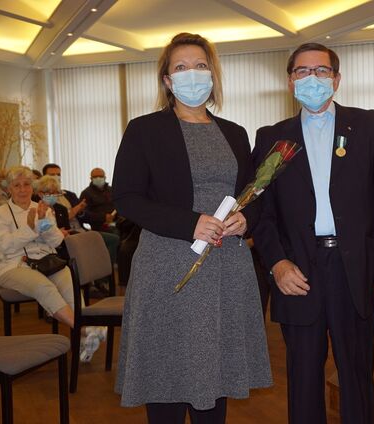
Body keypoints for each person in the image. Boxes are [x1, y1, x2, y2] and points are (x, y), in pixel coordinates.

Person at [112, 32, 271, 424]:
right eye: (180, 68)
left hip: (226, 269)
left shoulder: (234, 132)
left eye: (200, 66)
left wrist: (246, 218)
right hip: (167, 266)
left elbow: (254, 193)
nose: (192, 75)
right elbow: (127, 197)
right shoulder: (144, 129)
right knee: (166, 375)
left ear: (213, 74)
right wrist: (190, 223)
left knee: (214, 375)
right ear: (167, 80)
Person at [252, 42, 374, 424]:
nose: (312, 79)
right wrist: (277, 264)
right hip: (297, 274)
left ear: (337, 79)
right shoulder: (272, 136)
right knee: (302, 378)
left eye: (321, 71)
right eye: (302, 72)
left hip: (355, 271)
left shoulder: (369, 125)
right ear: (290, 82)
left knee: (356, 373)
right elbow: (261, 212)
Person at [0, 167, 105, 362]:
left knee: (71, 285)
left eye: (27, 184)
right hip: (13, 266)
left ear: (33, 187)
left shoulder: (42, 208)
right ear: (9, 189)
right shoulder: (1, 213)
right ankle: (85, 329)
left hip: (47, 262)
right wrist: (31, 227)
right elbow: (5, 247)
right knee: (43, 286)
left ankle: (84, 341)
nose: (22, 190)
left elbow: (56, 241)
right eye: (17, 185)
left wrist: (43, 222)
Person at [80, 168, 117, 232]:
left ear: (105, 177)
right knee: (115, 232)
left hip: (117, 221)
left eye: (100, 176)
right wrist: (103, 217)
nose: (98, 178)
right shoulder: (86, 193)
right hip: (99, 225)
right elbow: (84, 215)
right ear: (91, 178)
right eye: (95, 177)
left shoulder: (112, 190)